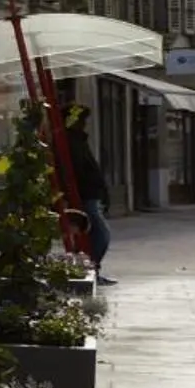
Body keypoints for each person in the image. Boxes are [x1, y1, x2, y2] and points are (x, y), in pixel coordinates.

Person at [65, 104, 115, 284]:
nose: (84, 124)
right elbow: (79, 171)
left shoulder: (78, 140)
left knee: (96, 234)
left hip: (89, 194)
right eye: (81, 120)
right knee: (101, 234)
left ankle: (91, 270)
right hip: (85, 196)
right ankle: (90, 270)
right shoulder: (72, 141)